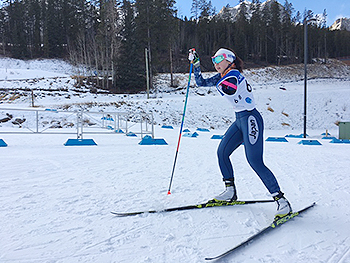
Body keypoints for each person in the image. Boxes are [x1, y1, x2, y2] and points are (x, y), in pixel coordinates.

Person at [188, 48, 292, 220]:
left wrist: (217, 82)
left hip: (251, 119)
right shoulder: (223, 75)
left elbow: (229, 88)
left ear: (230, 60)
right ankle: (230, 191)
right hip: (240, 120)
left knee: (255, 161)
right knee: (222, 152)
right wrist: (196, 64)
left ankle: (282, 201)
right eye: (213, 59)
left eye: (219, 59)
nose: (215, 63)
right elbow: (201, 83)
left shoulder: (234, 75)